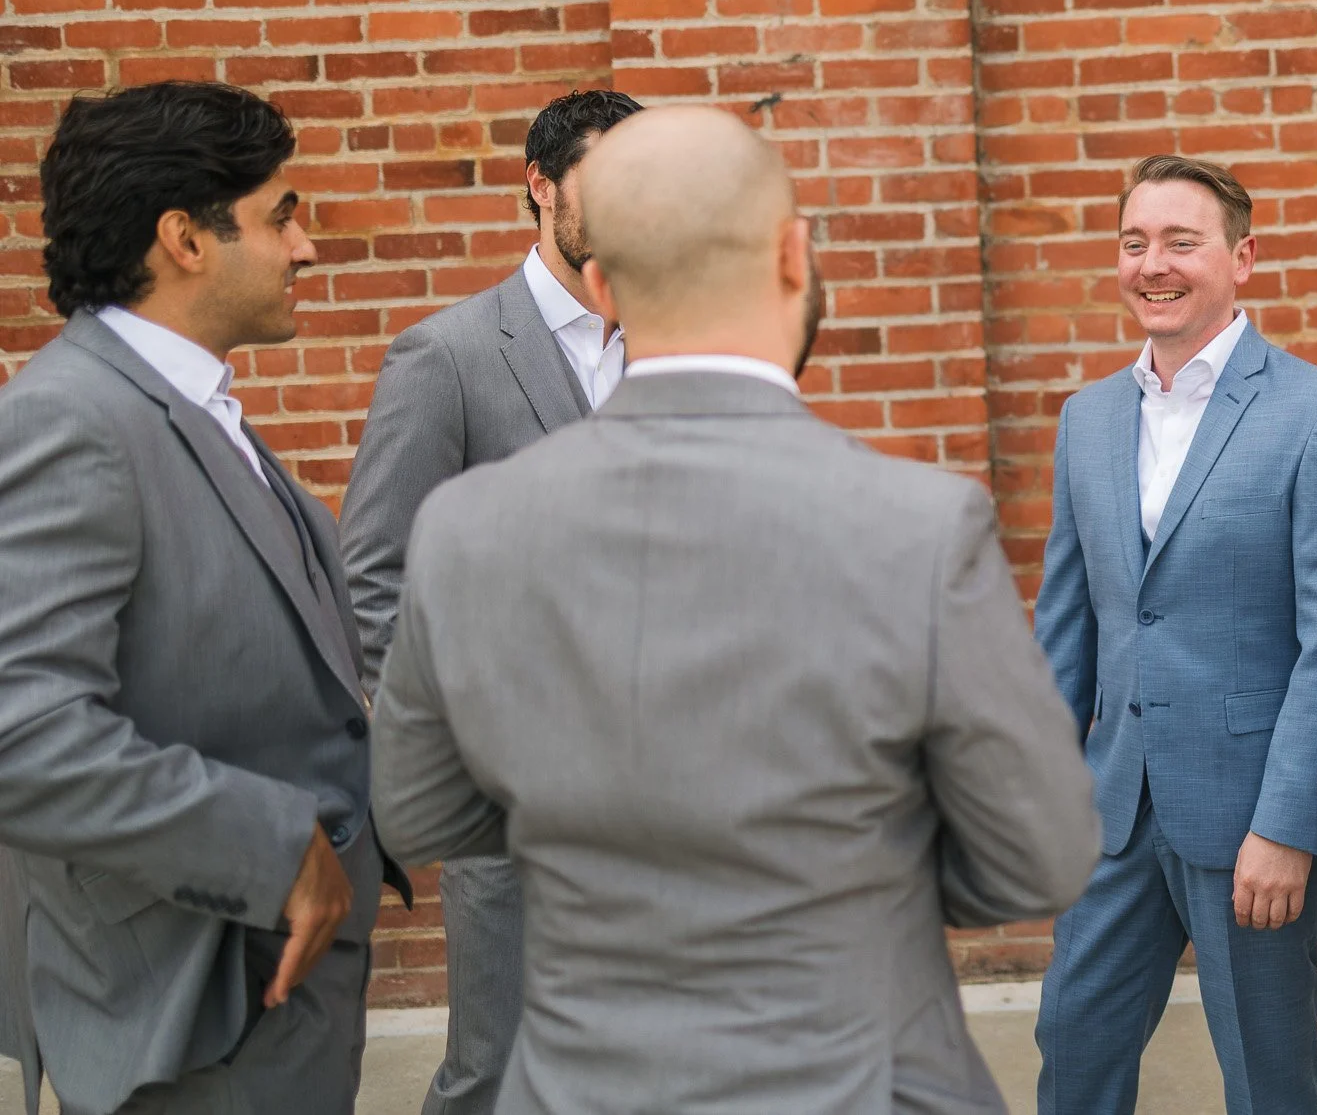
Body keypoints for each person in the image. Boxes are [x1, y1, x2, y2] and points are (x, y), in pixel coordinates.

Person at [369, 105, 1100, 1113]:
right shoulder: (918, 525)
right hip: (857, 1081)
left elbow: (415, 810)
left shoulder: (466, 526)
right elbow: (1040, 852)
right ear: (794, 255)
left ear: (601, 284)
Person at [0, 81, 408, 1115]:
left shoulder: (188, 405)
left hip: (270, 999)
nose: (305, 248)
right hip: (193, 1011)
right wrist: (273, 845)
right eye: (282, 215)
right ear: (183, 238)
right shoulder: (73, 423)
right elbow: (24, 738)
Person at [1033, 155, 1317, 1114]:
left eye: (1181, 242)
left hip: (1251, 819)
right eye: (1134, 241)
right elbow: (1066, 624)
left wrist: (1286, 824)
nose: (1154, 264)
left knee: (1267, 1077)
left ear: (1243, 258)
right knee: (1071, 1048)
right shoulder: (1088, 418)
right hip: (1113, 813)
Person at [339, 86, 640, 1115]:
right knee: (495, 1067)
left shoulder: (676, 342)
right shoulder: (450, 355)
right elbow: (375, 567)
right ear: (540, 186)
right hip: (510, 786)